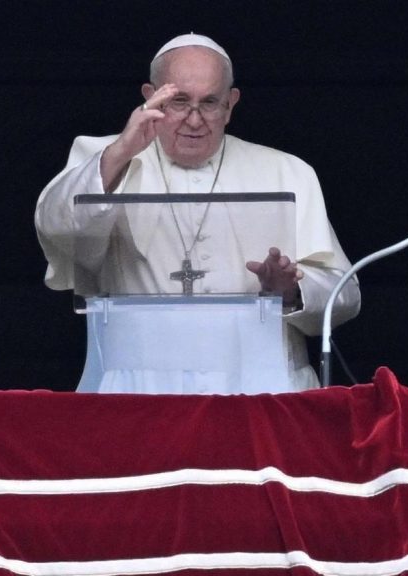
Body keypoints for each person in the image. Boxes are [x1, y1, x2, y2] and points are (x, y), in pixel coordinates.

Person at [35, 33, 361, 394]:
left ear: (230, 104)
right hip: (138, 388)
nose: (194, 120)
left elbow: (344, 295)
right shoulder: (105, 158)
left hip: (261, 387)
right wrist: (122, 150)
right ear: (149, 96)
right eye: (179, 101)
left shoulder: (288, 171)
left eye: (209, 102)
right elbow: (58, 228)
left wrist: (292, 289)